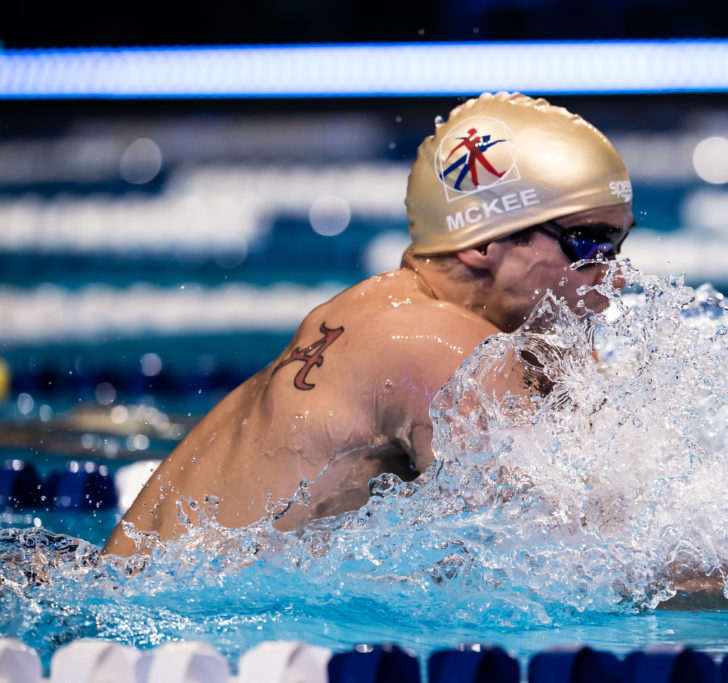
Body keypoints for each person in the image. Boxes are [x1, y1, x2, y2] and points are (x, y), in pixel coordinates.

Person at [102, 92, 635, 557]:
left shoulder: (374, 312)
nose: (614, 277)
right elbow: (575, 561)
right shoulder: (438, 347)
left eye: (619, 244)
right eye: (588, 243)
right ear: (479, 245)